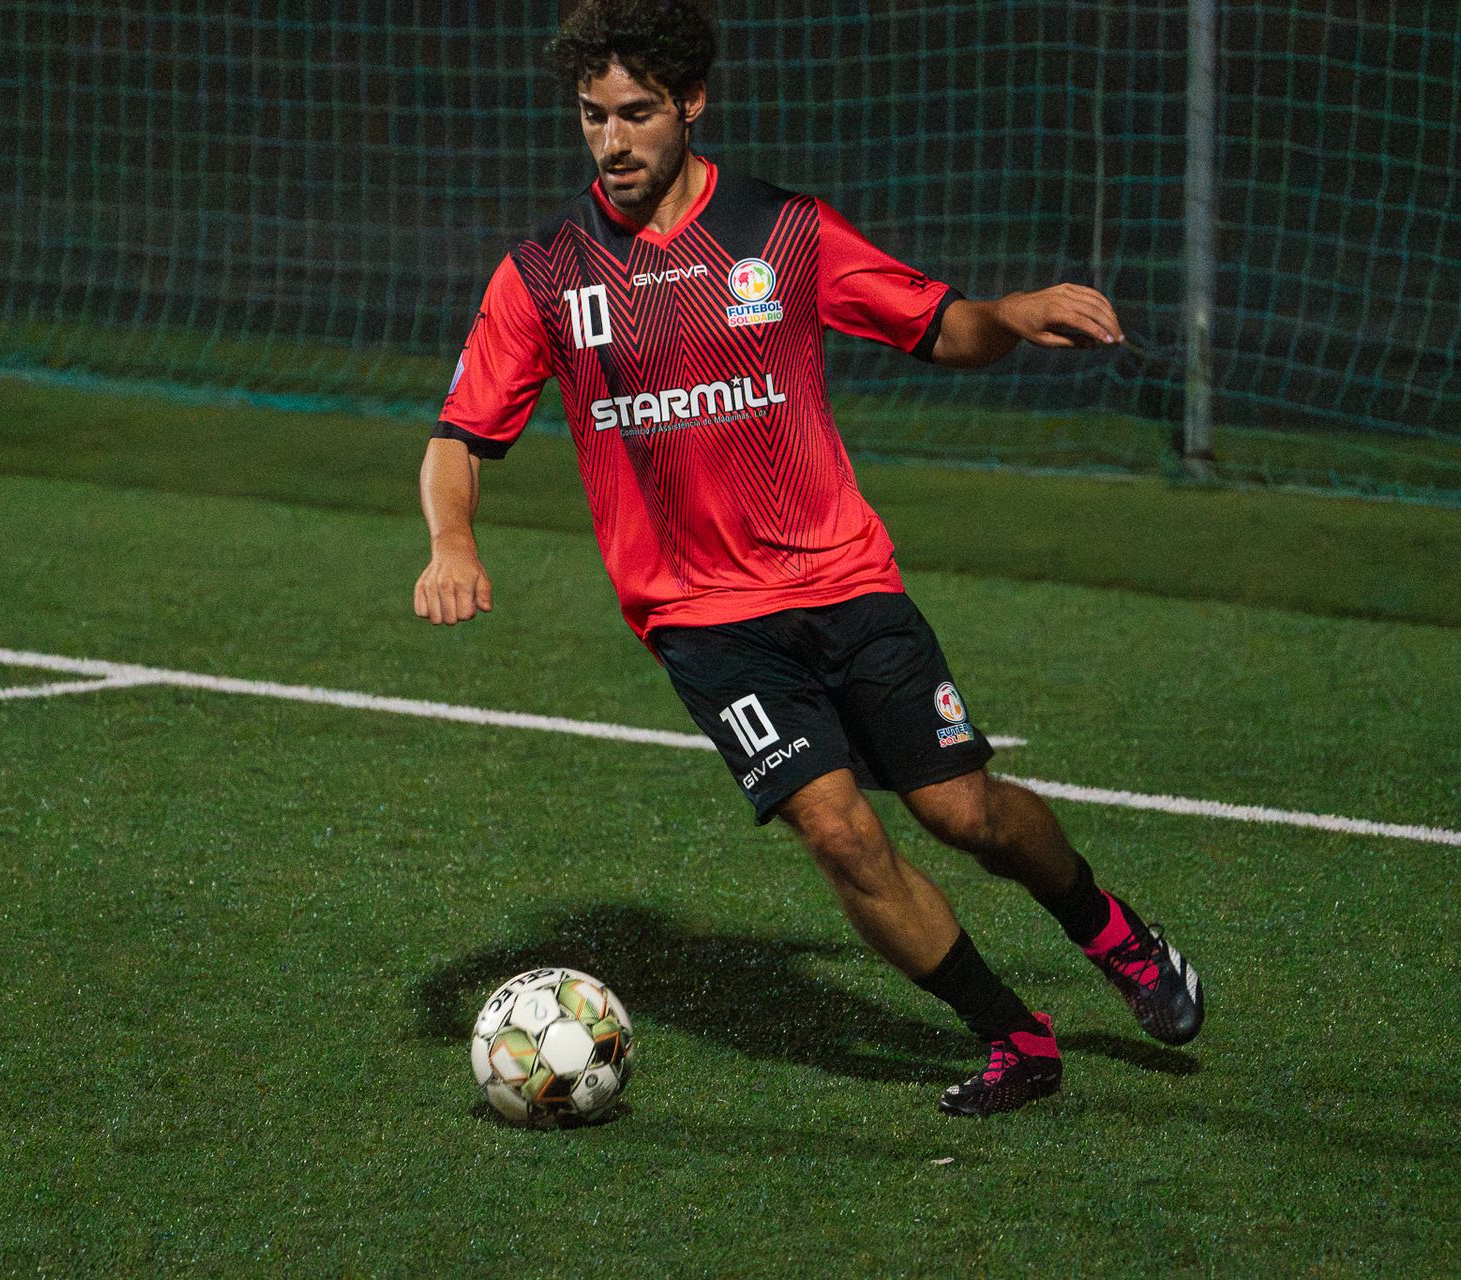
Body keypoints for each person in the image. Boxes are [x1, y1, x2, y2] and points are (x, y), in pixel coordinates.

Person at [417, 0, 1202, 1116]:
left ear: (692, 103)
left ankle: (1110, 931)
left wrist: (1014, 313)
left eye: (638, 112)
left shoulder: (783, 232)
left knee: (962, 811)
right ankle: (1016, 1035)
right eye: (593, 116)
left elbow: (940, 326)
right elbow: (458, 439)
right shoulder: (546, 272)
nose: (614, 141)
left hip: (846, 580)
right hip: (703, 619)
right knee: (837, 827)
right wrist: (453, 539)